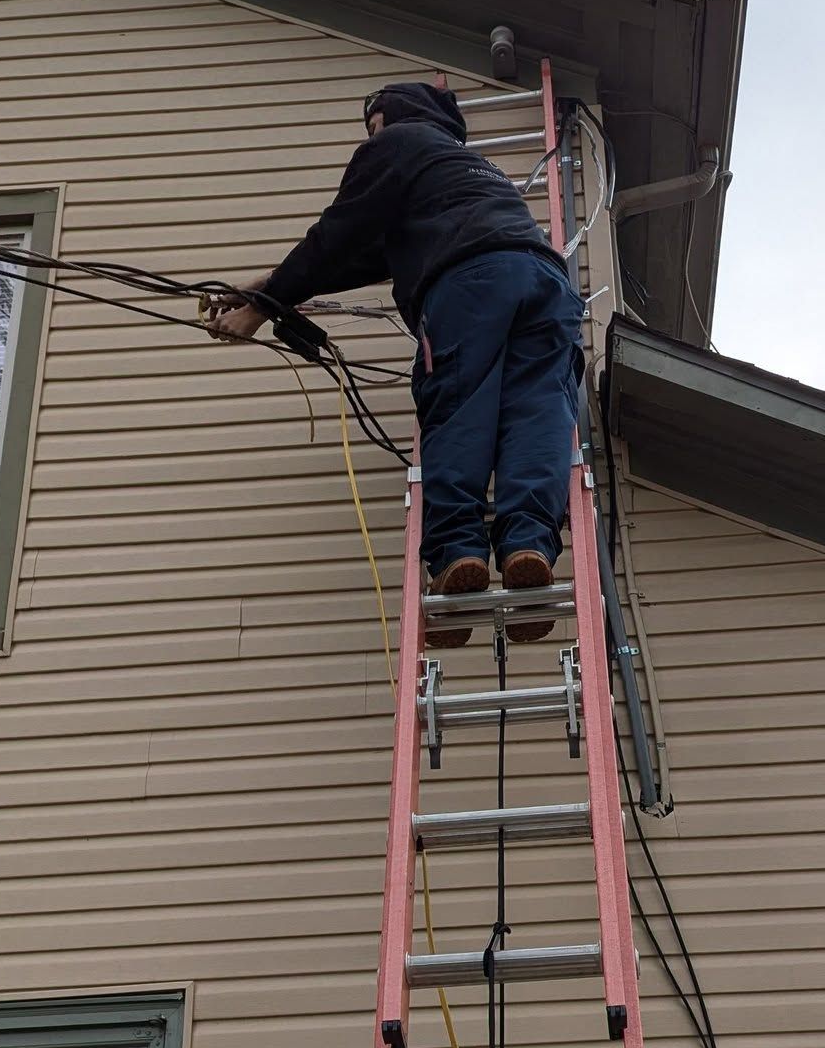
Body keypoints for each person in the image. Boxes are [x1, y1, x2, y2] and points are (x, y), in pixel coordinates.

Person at [208, 82, 583, 643]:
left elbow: (337, 234)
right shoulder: (465, 170)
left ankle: (459, 554)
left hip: (471, 285)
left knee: (458, 406)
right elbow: (366, 258)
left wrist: (262, 309)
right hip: (545, 282)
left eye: (372, 125)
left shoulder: (398, 142)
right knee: (536, 411)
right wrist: (265, 286)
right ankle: (528, 544)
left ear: (392, 117)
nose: (370, 137)